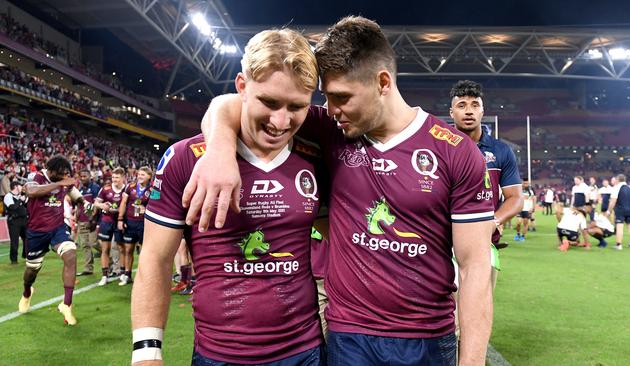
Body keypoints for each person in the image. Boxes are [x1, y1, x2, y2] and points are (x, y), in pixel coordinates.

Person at [185, 16, 495, 365]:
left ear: (382, 82)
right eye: (327, 98)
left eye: (342, 97)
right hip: (349, 336)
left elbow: (474, 268)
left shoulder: (455, 151)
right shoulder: (333, 129)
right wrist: (220, 150)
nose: (331, 110)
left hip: (428, 337)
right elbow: (230, 103)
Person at [131, 28, 325, 365]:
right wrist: (147, 352)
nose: (281, 121)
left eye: (297, 106)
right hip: (218, 355)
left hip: (304, 353)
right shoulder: (185, 158)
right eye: (269, 102)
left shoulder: (318, 157)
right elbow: (155, 259)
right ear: (241, 86)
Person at [447, 80, 523, 290]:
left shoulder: (500, 151)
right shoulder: (439, 148)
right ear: (451, 112)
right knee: (447, 316)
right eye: (461, 105)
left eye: (474, 105)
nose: (469, 111)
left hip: (484, 243)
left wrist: (494, 221)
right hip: (442, 243)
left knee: (477, 314)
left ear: (482, 111)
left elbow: (515, 198)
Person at [18, 155, 92, 325]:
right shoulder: (35, 177)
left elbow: (73, 191)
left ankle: (67, 304)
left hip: (57, 229)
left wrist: (83, 202)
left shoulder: (63, 180)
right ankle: (27, 292)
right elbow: (31, 191)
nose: (64, 177)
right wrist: (59, 184)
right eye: (60, 175)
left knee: (71, 254)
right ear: (50, 171)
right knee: (31, 271)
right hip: (37, 232)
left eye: (66, 174)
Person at [117, 166, 152, 286]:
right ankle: (127, 275)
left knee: (144, 251)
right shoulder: (130, 187)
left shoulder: (153, 189)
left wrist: (146, 209)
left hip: (144, 223)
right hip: (130, 222)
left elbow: (157, 206)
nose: (139, 177)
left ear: (149, 176)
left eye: (143, 175)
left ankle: (144, 276)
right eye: (139, 174)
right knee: (128, 249)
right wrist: (120, 219)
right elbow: (123, 203)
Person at [95, 167, 126, 286]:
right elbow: (96, 203)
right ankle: (104, 276)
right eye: (113, 177)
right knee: (105, 249)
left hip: (120, 221)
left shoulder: (126, 190)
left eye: (117, 177)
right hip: (106, 221)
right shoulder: (105, 189)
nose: (114, 180)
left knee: (121, 248)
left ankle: (123, 273)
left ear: (123, 178)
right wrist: (102, 205)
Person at [75, 169, 101, 276]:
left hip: (91, 221)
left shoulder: (95, 188)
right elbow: (79, 206)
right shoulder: (80, 190)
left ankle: (111, 260)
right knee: (85, 245)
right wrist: (76, 218)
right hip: (82, 220)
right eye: (81, 176)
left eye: (85, 176)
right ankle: (88, 268)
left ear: (90, 176)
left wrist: (93, 219)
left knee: (94, 243)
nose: (82, 178)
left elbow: (96, 204)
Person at [607, 174, 630, 250]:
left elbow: (613, 201)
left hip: (620, 209)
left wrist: (609, 210)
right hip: (629, 210)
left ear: (617, 180)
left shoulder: (616, 188)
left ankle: (618, 245)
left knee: (619, 227)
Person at [4, 181, 28, 264]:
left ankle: (26, 255)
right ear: (15, 187)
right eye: (20, 186)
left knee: (27, 238)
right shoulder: (8, 196)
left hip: (24, 220)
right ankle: (14, 260)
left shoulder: (21, 196)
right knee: (15, 241)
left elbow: (26, 207)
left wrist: (24, 200)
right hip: (14, 221)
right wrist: (20, 200)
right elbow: (13, 207)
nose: (21, 187)